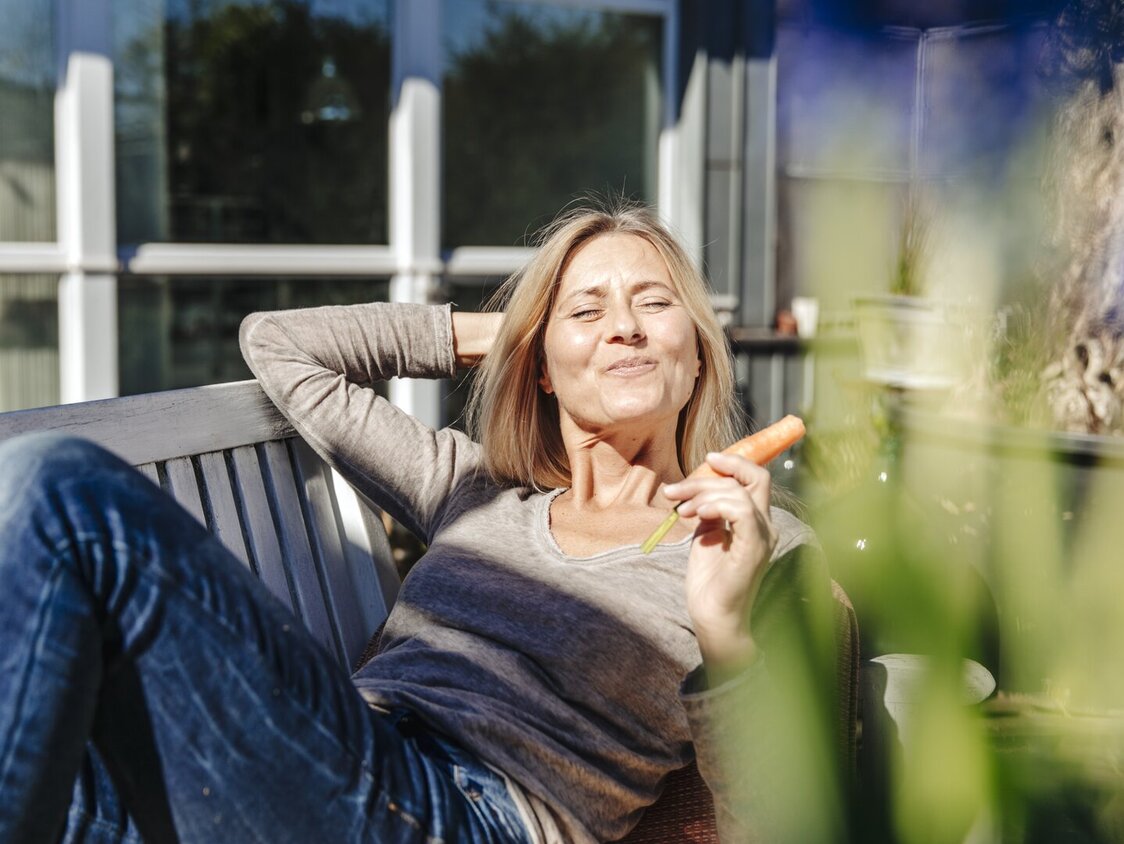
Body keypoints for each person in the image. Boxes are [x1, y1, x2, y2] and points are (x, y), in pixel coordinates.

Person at [0, 202, 831, 843]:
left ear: (695, 353)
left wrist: (727, 641)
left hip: (463, 815)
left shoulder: (757, 541)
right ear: (541, 368)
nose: (623, 325)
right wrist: (509, 333)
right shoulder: (476, 490)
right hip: (337, 767)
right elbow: (280, 345)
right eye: (586, 312)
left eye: (654, 304)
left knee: (57, 484)